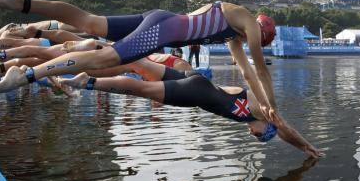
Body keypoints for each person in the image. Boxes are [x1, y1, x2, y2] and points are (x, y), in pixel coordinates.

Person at [0, 0, 281, 123]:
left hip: (161, 18)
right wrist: (273, 108)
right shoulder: (248, 24)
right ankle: (28, 74)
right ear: (261, 31)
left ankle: (22, 2)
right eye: (258, 41)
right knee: (105, 59)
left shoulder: (233, 32)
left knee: (90, 22)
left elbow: (248, 73)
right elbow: (262, 72)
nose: (250, 42)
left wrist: (264, 104)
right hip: (164, 31)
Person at [53, 58, 323, 158]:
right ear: (267, 125)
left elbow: (281, 128)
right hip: (194, 92)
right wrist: (307, 148)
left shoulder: (247, 114)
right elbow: (285, 129)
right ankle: (89, 81)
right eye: (261, 135)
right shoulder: (260, 110)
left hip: (197, 82)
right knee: (140, 89)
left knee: (137, 65)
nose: (254, 135)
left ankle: (74, 68)